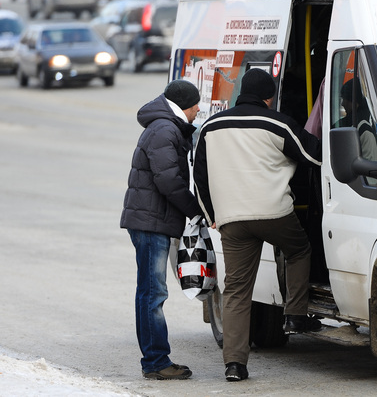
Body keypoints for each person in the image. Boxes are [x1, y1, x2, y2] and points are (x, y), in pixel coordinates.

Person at [193, 68, 322, 382]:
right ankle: (294, 316)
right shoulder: (277, 122)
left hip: (231, 220)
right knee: (299, 249)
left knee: (236, 291)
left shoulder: (211, 126)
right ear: (269, 97)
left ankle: (234, 365)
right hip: (273, 213)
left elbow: (199, 177)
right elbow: (313, 155)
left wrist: (213, 214)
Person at [120, 79, 204, 381]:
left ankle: (154, 360)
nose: (198, 110)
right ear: (185, 105)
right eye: (196, 104)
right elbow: (168, 180)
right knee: (153, 293)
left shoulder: (165, 127)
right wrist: (196, 210)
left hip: (150, 219)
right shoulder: (165, 130)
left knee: (148, 293)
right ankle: (156, 361)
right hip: (150, 221)